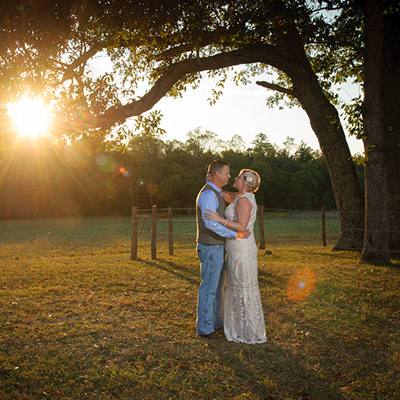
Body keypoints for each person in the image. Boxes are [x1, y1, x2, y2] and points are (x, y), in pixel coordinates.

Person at [204, 169, 267, 344]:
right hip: (235, 247)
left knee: (243, 286)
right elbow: (227, 196)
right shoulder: (240, 197)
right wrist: (212, 182)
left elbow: (241, 226)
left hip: (242, 249)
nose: (235, 178)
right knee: (236, 285)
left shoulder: (245, 201)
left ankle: (247, 330)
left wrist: (219, 218)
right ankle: (238, 325)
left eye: (238, 177)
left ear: (245, 182)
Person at [196, 160, 250, 339]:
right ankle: (205, 329)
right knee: (209, 288)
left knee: (217, 287)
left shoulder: (216, 192)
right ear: (217, 174)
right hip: (210, 247)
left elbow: (236, 196)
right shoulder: (209, 195)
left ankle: (214, 323)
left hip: (216, 247)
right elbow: (210, 223)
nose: (229, 176)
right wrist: (234, 235)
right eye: (226, 173)